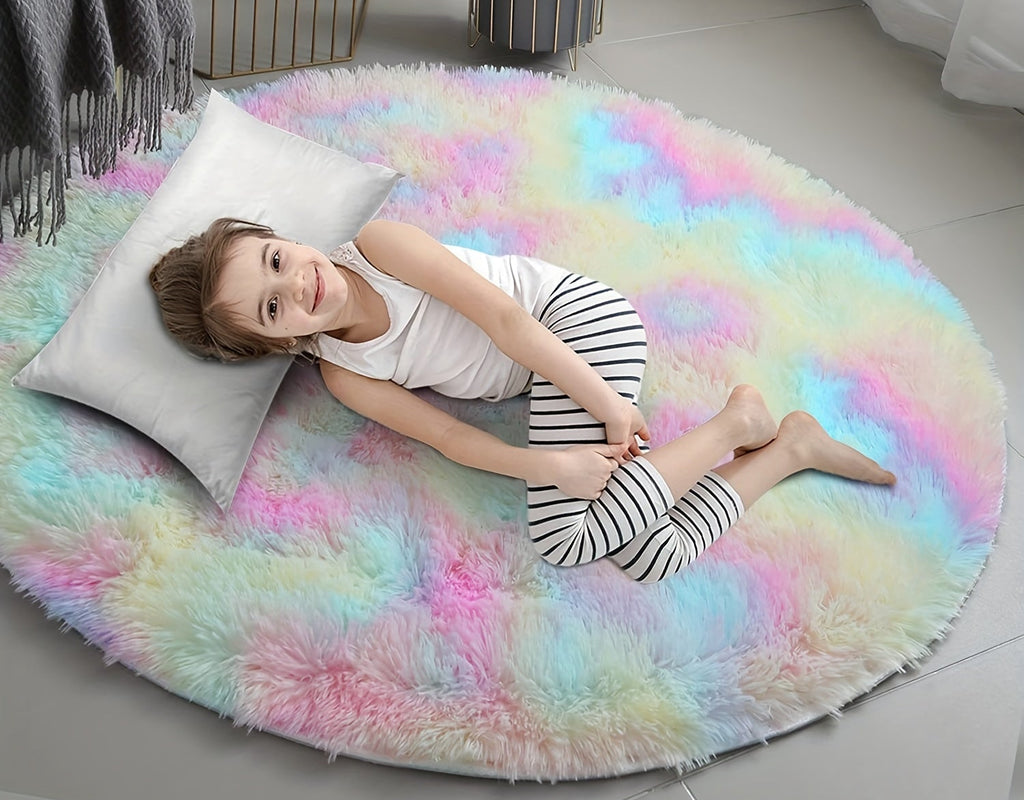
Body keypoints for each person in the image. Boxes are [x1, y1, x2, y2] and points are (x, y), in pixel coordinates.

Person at [150, 217, 896, 583]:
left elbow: (508, 320)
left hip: (571, 326)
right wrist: (545, 466)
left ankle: (741, 421)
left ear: (282, 237)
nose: (298, 286)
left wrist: (601, 400)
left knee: (566, 542)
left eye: (277, 261)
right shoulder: (347, 374)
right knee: (648, 553)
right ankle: (785, 444)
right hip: (540, 383)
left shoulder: (377, 245)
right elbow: (450, 440)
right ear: (278, 345)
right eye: (274, 309)